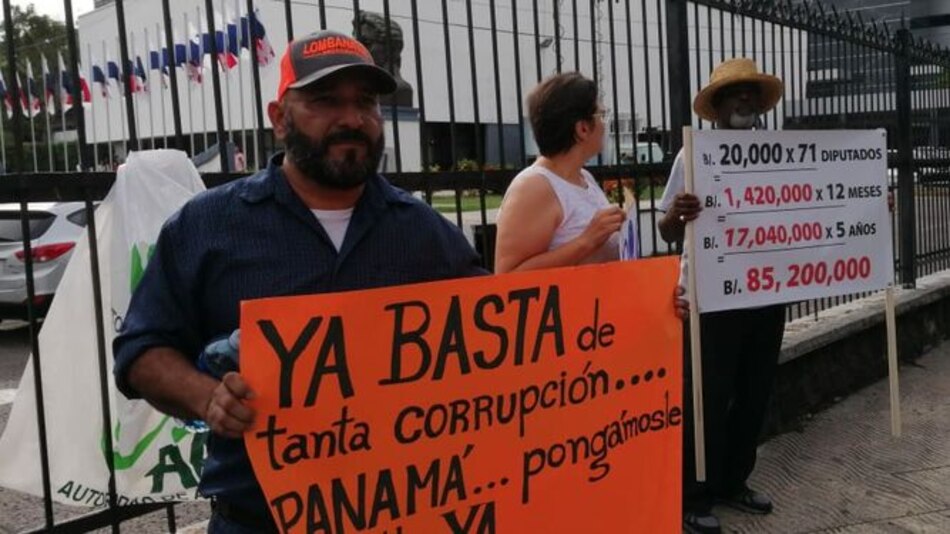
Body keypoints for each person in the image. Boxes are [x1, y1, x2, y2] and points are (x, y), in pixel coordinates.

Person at [113, 30, 485, 533]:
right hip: (258, 520)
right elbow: (142, 348)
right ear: (278, 119)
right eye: (325, 101)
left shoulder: (427, 234)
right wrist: (207, 397)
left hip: (406, 514)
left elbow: (499, 344)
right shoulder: (205, 226)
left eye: (366, 102)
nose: (352, 119)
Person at [657, 58, 786, 534]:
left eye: (751, 93)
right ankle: (692, 495)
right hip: (711, 299)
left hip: (768, 294)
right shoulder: (692, 155)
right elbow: (667, 230)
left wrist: (870, 206)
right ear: (715, 108)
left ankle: (734, 482)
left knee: (754, 394)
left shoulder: (779, 154)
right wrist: (679, 215)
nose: (744, 101)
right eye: (734, 94)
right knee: (706, 399)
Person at [494, 72, 626, 273]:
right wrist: (586, 241)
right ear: (582, 128)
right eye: (602, 115)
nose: (605, 125)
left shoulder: (583, 178)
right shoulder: (534, 187)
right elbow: (508, 277)